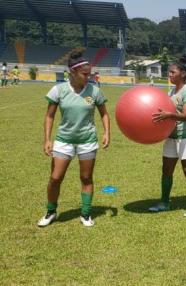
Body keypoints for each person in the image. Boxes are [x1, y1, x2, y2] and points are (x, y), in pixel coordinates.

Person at [37, 51, 110, 228]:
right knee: (55, 178)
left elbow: (104, 114)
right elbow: (49, 116)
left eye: (90, 73)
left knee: (86, 178)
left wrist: (107, 132)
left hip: (87, 141)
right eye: (85, 74)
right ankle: (51, 211)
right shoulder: (58, 90)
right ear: (72, 72)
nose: (88, 77)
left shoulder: (95, 91)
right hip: (64, 140)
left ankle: (85, 214)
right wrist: (47, 139)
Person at [149, 55, 186, 217]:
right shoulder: (172, 90)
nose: (169, 75)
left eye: (172, 72)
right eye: (169, 72)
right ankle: (164, 203)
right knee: (166, 170)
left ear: (183, 74)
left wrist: (168, 115)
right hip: (171, 136)